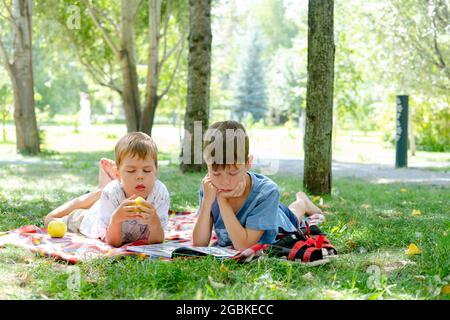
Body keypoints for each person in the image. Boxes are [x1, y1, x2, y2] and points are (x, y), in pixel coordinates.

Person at [192, 120, 325, 251]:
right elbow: (199, 243)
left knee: (295, 215)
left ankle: (302, 202)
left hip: (279, 220)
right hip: (262, 211)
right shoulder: (209, 187)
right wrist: (206, 203)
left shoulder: (266, 191)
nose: (225, 182)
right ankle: (301, 202)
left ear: (248, 163)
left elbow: (243, 246)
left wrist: (222, 201)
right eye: (216, 173)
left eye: (233, 173)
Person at [44, 132, 169, 247]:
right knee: (50, 220)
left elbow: (157, 241)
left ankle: (101, 188)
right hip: (92, 218)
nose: (140, 176)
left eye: (147, 170)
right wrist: (116, 220)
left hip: (108, 199)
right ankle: (98, 192)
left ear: (156, 171)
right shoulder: (112, 192)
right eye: (131, 170)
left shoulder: (159, 193)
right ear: (118, 173)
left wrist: (155, 222)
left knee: (104, 194)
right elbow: (113, 242)